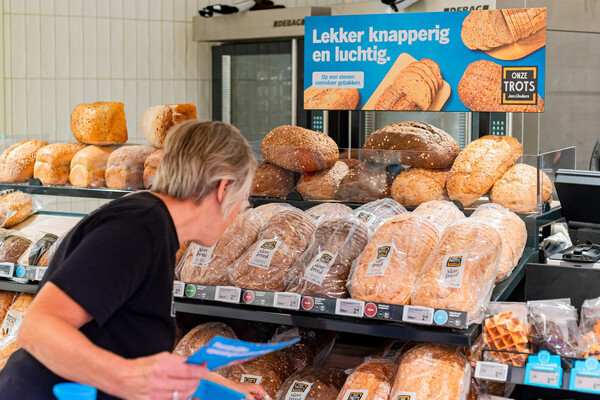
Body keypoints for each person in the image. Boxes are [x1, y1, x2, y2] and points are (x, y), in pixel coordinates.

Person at [0, 120, 267, 400]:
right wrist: (122, 378)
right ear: (223, 188)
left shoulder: (155, 227)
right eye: (244, 200)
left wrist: (216, 385)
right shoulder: (137, 229)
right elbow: (38, 329)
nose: (239, 213)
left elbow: (127, 343)